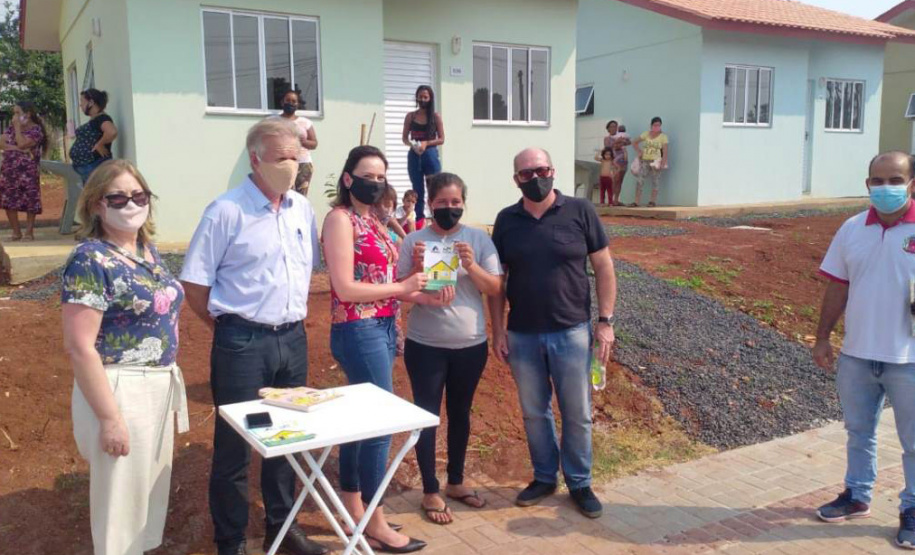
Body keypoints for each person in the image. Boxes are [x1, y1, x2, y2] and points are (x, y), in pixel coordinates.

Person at [179, 118, 327, 555]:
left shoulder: (301, 209)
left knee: (286, 437)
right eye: (281, 157)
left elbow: (305, 271)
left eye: (295, 157)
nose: (291, 164)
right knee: (236, 447)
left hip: (292, 340)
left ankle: (282, 531)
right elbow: (195, 285)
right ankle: (230, 542)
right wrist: (226, 327)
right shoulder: (225, 211)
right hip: (241, 343)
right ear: (255, 158)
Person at [61, 159, 189, 555]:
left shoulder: (147, 252)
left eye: (139, 195)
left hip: (157, 384)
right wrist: (110, 418)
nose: (130, 204)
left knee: (147, 499)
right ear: (97, 204)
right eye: (118, 197)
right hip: (120, 389)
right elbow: (81, 347)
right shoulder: (90, 259)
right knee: (119, 509)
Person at [323, 145, 445, 553]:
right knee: (378, 425)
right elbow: (345, 288)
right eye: (367, 175)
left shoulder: (373, 219)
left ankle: (354, 506)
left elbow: (387, 282)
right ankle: (374, 522)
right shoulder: (341, 220)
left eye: (381, 176)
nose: (375, 182)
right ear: (347, 178)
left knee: (361, 421)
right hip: (358, 330)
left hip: (383, 326)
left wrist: (420, 290)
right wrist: (402, 287)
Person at [489, 148, 617, 519]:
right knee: (534, 412)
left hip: (572, 331)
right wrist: (498, 330)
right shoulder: (506, 220)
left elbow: (604, 268)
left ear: (553, 171)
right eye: (526, 174)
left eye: (541, 170)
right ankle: (545, 477)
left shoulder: (580, 211)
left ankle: (579, 482)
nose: (535, 178)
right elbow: (498, 283)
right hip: (523, 335)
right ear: (516, 179)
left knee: (577, 412)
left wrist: (605, 321)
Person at [812, 151, 915, 549]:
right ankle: (856, 495)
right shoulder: (852, 228)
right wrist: (823, 336)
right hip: (857, 355)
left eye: (895, 179)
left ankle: (911, 508)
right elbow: (837, 284)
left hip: (908, 359)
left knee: (913, 442)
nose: (886, 188)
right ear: (867, 185)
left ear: (911, 184)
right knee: (859, 431)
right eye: (878, 181)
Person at [397, 172, 503, 525]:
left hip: (470, 345)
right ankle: (430, 489)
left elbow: (495, 288)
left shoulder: (477, 239)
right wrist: (417, 276)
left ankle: (456, 481)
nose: (449, 208)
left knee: (461, 413)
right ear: (431, 203)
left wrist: (471, 265)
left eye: (455, 202)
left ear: (463, 204)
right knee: (427, 416)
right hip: (425, 345)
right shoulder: (415, 240)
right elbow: (398, 289)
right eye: (442, 202)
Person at [0, 101, 47, 241]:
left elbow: (22, 143)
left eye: (17, 113)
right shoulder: (11, 129)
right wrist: (15, 148)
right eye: (14, 113)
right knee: (9, 200)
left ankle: (29, 232)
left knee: (30, 199)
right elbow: (1, 142)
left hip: (28, 172)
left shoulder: (36, 130)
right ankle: (16, 232)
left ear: (27, 114)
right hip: (9, 171)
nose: (14, 117)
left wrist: (17, 129)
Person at [402, 86, 444, 225]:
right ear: (416, 97)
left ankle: (438, 220)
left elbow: (442, 139)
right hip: (414, 156)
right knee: (417, 190)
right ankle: (419, 222)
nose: (422, 99)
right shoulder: (410, 116)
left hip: (430, 155)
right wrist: (412, 145)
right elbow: (405, 138)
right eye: (420, 96)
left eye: (425, 97)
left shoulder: (435, 116)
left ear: (430, 98)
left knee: (434, 188)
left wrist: (426, 143)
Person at [70, 89, 118, 183]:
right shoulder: (95, 119)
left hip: (95, 166)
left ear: (91, 102)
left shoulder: (102, 118)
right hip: (89, 168)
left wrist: (100, 144)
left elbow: (112, 132)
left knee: (96, 196)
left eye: (82, 101)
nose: (80, 105)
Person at [277, 89, 318, 196]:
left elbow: (314, 144)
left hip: (303, 164)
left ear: (297, 104)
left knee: (301, 197)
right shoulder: (273, 121)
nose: (290, 103)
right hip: (282, 163)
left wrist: (303, 141)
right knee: (284, 195)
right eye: (288, 100)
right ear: (282, 102)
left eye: (294, 101)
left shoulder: (305, 122)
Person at [630, 116, 669, 208]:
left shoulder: (663, 137)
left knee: (655, 181)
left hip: (656, 161)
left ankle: (652, 201)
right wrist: (639, 151)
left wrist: (663, 163)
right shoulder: (646, 134)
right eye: (655, 125)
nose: (657, 127)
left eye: (659, 125)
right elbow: (634, 142)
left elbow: (665, 150)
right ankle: (636, 202)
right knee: (640, 179)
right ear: (651, 125)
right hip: (645, 160)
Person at [604, 121, 630, 207]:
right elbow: (608, 148)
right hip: (613, 162)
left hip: (623, 161)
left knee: (620, 181)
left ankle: (616, 200)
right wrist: (617, 143)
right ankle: (610, 200)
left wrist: (623, 141)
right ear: (608, 129)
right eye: (611, 126)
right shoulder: (607, 138)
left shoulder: (621, 136)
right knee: (614, 180)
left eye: (615, 126)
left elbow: (628, 142)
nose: (614, 128)